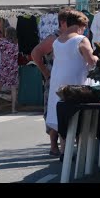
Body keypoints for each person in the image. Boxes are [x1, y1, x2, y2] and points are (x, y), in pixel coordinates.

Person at [45, 10, 99, 162]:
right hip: (76, 82)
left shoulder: (57, 41)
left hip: (58, 83)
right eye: (84, 26)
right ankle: (82, 151)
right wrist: (97, 57)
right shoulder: (81, 39)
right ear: (80, 25)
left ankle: (64, 151)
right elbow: (91, 61)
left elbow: (57, 60)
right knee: (78, 116)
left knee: (63, 117)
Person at [31, 8, 72, 156]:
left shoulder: (72, 37)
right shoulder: (53, 38)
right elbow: (35, 53)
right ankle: (54, 146)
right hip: (54, 80)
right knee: (53, 111)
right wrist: (45, 72)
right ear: (62, 23)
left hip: (67, 79)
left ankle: (63, 146)